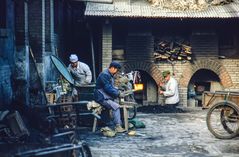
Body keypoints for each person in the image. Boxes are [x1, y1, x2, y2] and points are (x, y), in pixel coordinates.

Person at [94, 61, 125, 133]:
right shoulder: (104, 75)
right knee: (116, 106)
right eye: (117, 70)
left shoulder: (109, 74)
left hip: (104, 96)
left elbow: (111, 87)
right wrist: (118, 94)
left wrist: (118, 90)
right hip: (100, 97)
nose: (116, 72)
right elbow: (107, 88)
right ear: (113, 68)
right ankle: (118, 126)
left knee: (117, 103)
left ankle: (121, 122)